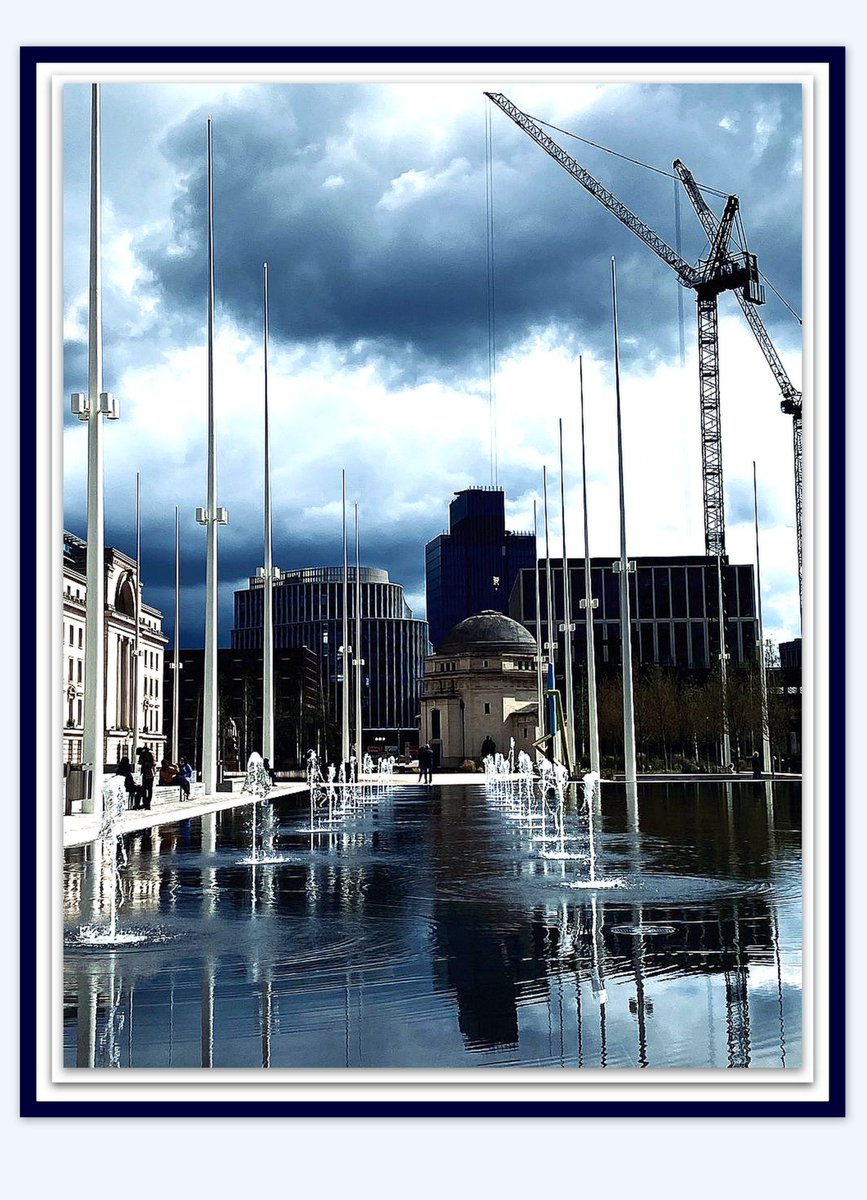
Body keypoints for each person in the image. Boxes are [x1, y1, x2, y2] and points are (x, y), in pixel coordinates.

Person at [138, 746, 155, 810]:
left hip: (149, 773)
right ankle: (145, 803)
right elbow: (140, 762)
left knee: (149, 789)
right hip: (145, 773)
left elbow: (153, 763)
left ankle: (147, 804)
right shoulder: (144, 754)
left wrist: (145, 763)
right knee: (144, 789)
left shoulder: (150, 753)